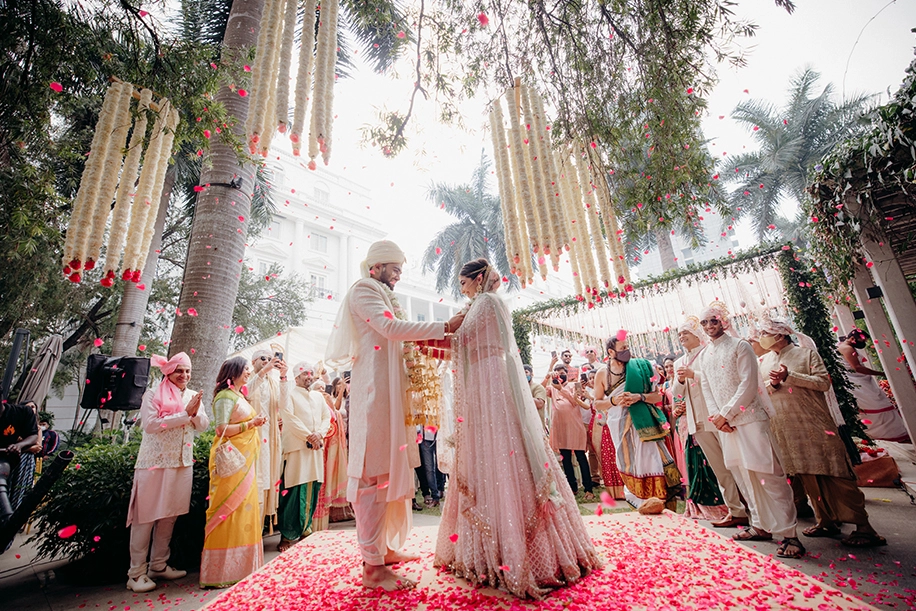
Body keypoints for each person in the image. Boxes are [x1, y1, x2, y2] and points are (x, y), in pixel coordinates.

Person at [434, 259, 599, 599]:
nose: (461, 288)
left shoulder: (487, 302)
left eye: (464, 282)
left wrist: (438, 333)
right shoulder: (481, 304)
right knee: (489, 448)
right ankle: (491, 550)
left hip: (489, 380)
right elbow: (459, 340)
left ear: (478, 279)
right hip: (484, 379)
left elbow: (460, 338)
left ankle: (519, 555)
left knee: (500, 446)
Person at [325, 239, 466, 591]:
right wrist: (444, 328)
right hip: (374, 396)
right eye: (396, 269)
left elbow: (397, 334)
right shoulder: (364, 289)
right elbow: (390, 329)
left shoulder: (382, 292)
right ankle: (371, 567)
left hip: (390, 396)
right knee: (373, 477)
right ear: (378, 266)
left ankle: (383, 551)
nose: (399, 276)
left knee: (387, 475)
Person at [758, 319, 886, 548]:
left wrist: (790, 377)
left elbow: (822, 383)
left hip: (814, 423)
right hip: (785, 427)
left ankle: (864, 527)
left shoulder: (806, 355)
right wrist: (775, 383)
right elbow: (763, 389)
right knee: (806, 475)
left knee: (834, 472)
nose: (761, 337)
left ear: (781, 335)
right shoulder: (765, 361)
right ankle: (825, 521)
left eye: (766, 333)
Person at [696, 304, 803, 559]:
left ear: (724, 321)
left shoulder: (740, 346)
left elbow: (749, 384)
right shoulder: (704, 354)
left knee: (768, 473)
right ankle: (760, 526)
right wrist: (717, 417)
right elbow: (707, 387)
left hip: (750, 418)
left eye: (714, 320)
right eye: (705, 322)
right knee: (742, 474)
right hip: (726, 424)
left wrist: (727, 414)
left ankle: (791, 535)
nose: (710, 326)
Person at [125, 353, 209, 593]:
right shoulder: (153, 394)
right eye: (179, 371)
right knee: (145, 518)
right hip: (154, 463)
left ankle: (159, 566)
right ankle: (136, 573)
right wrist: (185, 415)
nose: (184, 375)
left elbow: (203, 426)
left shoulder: (193, 396)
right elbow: (150, 425)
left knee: (169, 516)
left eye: (187, 371)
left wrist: (194, 413)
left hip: (182, 462)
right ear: (168, 372)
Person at [593, 333, 680, 513]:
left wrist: (638, 397)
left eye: (627, 347)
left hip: (644, 422)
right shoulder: (602, 373)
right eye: (622, 348)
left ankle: (658, 499)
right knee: (629, 460)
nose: (627, 351)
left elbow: (657, 396)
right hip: (619, 423)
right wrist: (614, 401)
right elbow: (597, 403)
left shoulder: (642, 367)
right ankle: (640, 501)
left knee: (652, 458)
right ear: (611, 352)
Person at [200, 357, 267, 588]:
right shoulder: (224, 396)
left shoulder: (239, 395)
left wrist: (256, 422)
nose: (248, 372)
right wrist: (252, 424)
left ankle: (243, 567)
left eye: (249, 369)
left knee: (245, 510)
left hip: (245, 460)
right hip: (231, 461)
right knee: (228, 509)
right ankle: (219, 573)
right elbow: (220, 429)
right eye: (246, 369)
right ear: (234, 372)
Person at [672, 318, 737, 524]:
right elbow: (676, 391)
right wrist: (681, 379)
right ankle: (735, 510)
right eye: (680, 334)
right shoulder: (678, 362)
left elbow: (719, 378)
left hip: (715, 416)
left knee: (733, 463)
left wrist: (694, 374)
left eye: (686, 333)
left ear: (697, 335)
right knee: (718, 467)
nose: (682, 337)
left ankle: (747, 507)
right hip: (695, 420)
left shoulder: (709, 353)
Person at [277, 362, 331, 551]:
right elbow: (289, 418)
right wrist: (309, 435)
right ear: (297, 377)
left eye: (310, 373)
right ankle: (286, 535)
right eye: (304, 374)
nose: (309, 376)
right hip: (297, 450)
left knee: (312, 488)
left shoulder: (318, 396)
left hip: (315, 450)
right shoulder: (290, 394)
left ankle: (305, 529)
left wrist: (320, 435)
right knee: (293, 490)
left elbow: (327, 417)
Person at [838, 328, 911, 443]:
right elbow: (857, 368)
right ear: (852, 338)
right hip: (859, 384)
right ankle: (888, 435)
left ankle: (891, 434)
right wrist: (881, 373)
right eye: (861, 340)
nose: (863, 343)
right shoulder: (847, 348)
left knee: (878, 405)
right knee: (876, 405)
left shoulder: (845, 346)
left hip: (861, 382)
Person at [248, 350, 289, 527]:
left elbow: (284, 405)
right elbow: (246, 393)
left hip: (270, 437)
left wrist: (283, 377)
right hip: (251, 436)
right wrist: (264, 372)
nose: (267, 361)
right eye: (262, 358)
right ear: (253, 362)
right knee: (254, 481)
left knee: (267, 479)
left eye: (269, 358)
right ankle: (250, 529)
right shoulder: (247, 378)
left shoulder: (273, 383)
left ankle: (259, 529)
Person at [547, 364, 595, 500]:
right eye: (557, 373)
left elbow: (576, 402)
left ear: (567, 374)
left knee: (581, 457)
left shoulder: (575, 385)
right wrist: (549, 372)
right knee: (566, 459)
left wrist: (561, 389)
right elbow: (542, 387)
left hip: (575, 426)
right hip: (560, 428)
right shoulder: (552, 387)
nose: (559, 376)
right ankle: (572, 488)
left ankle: (588, 488)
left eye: (561, 373)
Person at [0, 402, 39, 527]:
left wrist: (19, 446)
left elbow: (33, 437)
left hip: (6, 463)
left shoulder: (20, 413)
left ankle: (8, 522)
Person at [523, 364, 548, 430]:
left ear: (532, 374)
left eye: (526, 372)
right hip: (524, 425)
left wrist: (524, 394)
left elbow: (540, 404)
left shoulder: (538, 387)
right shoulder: (518, 388)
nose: (524, 375)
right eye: (522, 373)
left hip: (536, 426)